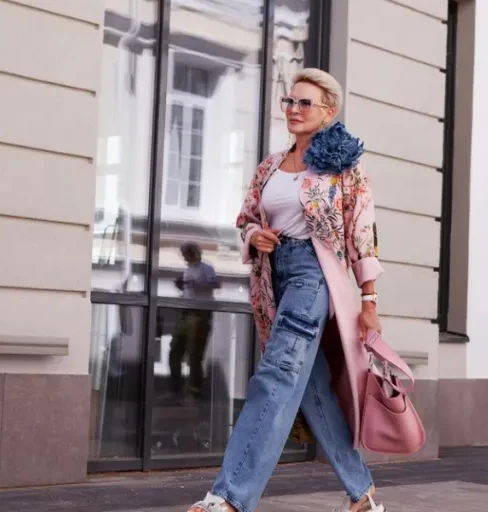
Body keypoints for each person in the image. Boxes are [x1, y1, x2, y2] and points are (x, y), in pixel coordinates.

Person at [189, 69, 386, 512]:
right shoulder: (270, 166)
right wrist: (255, 236)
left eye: (305, 103)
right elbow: (246, 219)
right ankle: (364, 496)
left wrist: (369, 300)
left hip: (313, 276)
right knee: (313, 390)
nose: (294, 110)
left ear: (328, 112)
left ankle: (230, 498)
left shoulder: (342, 165)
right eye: (289, 102)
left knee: (275, 377)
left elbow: (363, 233)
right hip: (273, 281)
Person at [169, 242, 220, 400]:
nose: (185, 258)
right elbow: (188, 289)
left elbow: (216, 284)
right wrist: (181, 286)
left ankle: (194, 389)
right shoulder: (187, 270)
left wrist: (198, 285)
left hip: (199, 313)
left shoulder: (206, 268)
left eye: (186, 254)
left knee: (194, 353)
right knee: (175, 350)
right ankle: (176, 386)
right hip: (185, 311)